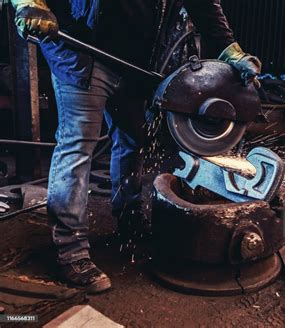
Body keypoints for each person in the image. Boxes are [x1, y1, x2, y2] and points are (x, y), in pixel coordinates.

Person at [11, 0, 261, 294]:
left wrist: (231, 50)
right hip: (81, 52)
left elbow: (204, 5)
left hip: (132, 65)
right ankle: (71, 251)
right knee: (77, 147)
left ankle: (128, 217)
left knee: (132, 141)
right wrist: (28, 2)